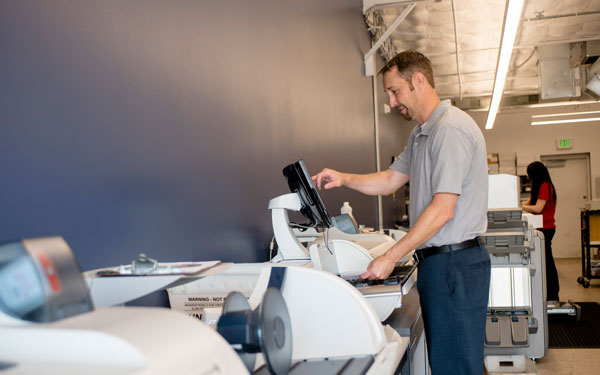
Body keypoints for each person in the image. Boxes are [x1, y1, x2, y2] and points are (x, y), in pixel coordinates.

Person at [312, 51, 490, 375]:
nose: (392, 102)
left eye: (395, 91)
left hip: (455, 265)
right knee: (452, 362)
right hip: (440, 265)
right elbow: (389, 180)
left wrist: (391, 256)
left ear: (418, 80)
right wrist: (344, 178)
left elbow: (443, 209)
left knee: (456, 367)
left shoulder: (449, 130)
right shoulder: (422, 133)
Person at [522, 161, 559, 302]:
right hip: (544, 228)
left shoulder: (545, 186)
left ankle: (553, 295)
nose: (529, 178)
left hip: (546, 228)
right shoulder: (541, 186)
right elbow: (531, 201)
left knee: (548, 264)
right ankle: (550, 294)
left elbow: (537, 208)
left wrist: (521, 207)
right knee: (546, 262)